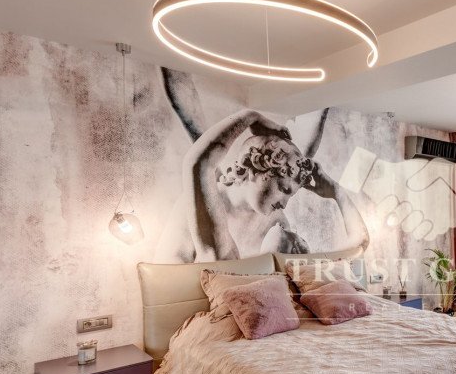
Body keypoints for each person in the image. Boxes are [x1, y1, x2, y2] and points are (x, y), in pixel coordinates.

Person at [155, 107, 369, 262]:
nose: (284, 204)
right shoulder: (216, 234)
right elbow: (198, 162)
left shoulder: (275, 224)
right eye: (284, 190)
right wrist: (250, 116)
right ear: (255, 168)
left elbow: (358, 246)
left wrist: (338, 192)